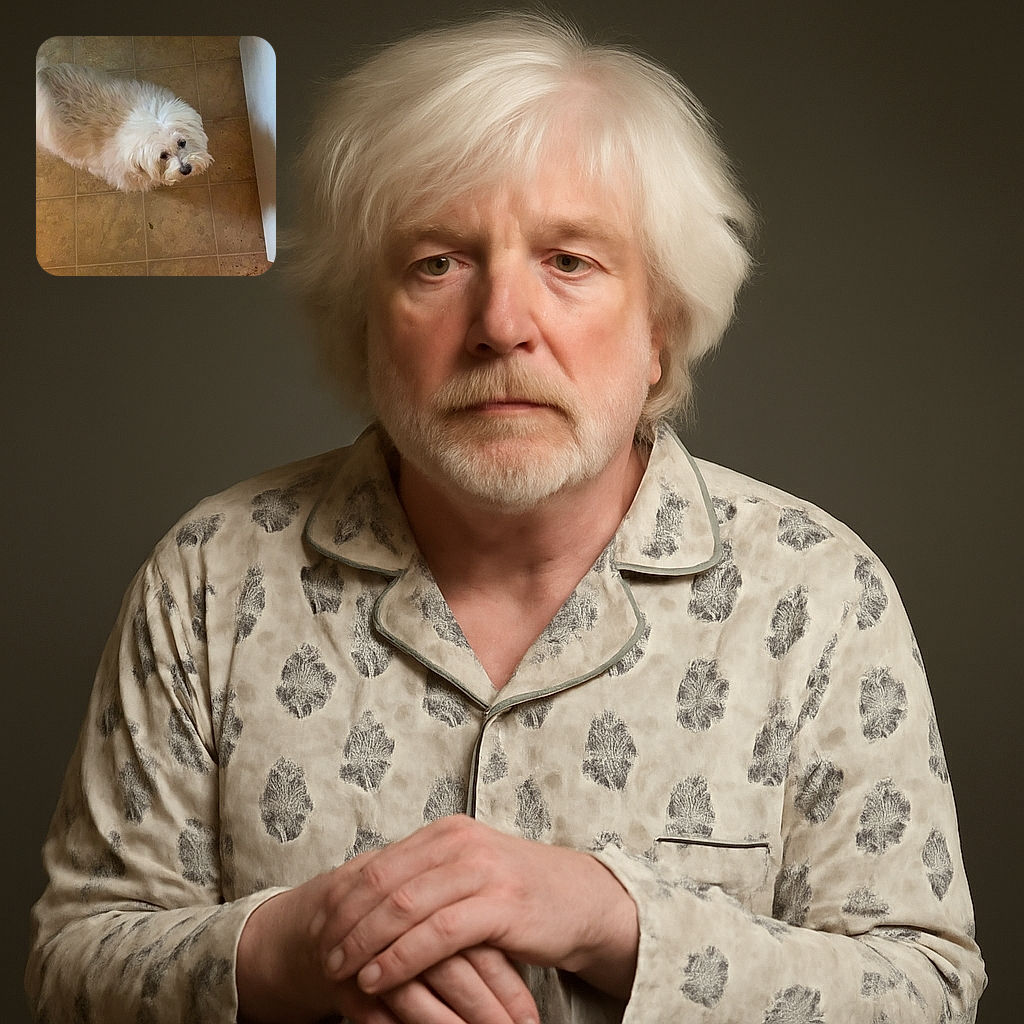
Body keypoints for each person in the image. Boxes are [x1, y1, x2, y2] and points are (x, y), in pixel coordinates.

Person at [26, 13, 984, 1024]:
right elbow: (69, 965)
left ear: (660, 331)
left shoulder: (819, 594)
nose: (499, 327)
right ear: (364, 323)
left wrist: (616, 921)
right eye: (437, 262)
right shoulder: (210, 574)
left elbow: (924, 987)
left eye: (568, 260)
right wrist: (291, 947)